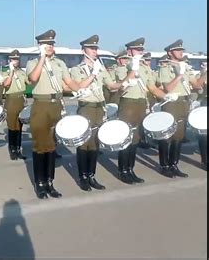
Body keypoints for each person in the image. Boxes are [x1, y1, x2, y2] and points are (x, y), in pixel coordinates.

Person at [26, 29, 93, 199]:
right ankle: (40, 184)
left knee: (51, 146)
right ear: (40, 46)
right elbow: (33, 79)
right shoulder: (33, 62)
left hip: (56, 105)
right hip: (41, 105)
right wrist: (42, 58)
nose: (50, 47)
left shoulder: (59, 63)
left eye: (52, 44)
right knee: (40, 147)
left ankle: (49, 182)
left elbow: (69, 82)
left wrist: (83, 88)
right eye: (47, 44)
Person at [69, 35, 123, 191]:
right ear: (83, 50)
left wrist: (126, 80)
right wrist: (93, 73)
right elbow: (79, 86)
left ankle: (91, 175)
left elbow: (112, 85)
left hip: (99, 108)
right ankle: (83, 177)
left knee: (95, 144)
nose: (95, 51)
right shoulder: (77, 69)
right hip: (86, 107)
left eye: (96, 48)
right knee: (84, 144)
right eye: (91, 48)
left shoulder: (101, 68)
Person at [115, 37, 168, 184]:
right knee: (125, 138)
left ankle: (130, 169)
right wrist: (133, 68)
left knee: (135, 139)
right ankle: (122, 171)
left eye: (141, 50)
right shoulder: (122, 68)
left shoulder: (145, 69)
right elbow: (121, 87)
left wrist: (167, 96)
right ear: (129, 51)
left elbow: (152, 88)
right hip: (128, 104)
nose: (140, 52)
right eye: (138, 50)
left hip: (140, 104)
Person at [157, 40, 207, 177]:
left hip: (184, 102)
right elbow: (168, 88)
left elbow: (197, 85)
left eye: (182, 50)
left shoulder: (185, 67)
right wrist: (179, 75)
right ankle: (164, 165)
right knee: (167, 135)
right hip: (172, 103)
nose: (181, 52)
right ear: (170, 52)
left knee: (179, 136)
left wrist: (205, 73)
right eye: (178, 50)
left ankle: (174, 164)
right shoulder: (166, 68)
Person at [0, 49, 28, 160]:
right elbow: (6, 84)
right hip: (11, 101)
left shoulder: (21, 72)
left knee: (19, 127)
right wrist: (11, 72)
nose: (15, 61)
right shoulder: (4, 72)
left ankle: (18, 149)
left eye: (17, 59)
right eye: (13, 59)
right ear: (9, 60)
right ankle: (12, 151)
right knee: (12, 127)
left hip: (21, 101)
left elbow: (29, 81)